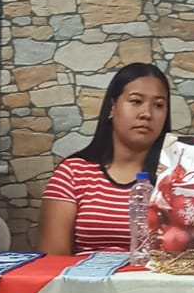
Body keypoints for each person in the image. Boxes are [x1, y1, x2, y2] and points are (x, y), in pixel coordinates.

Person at [37, 62, 172, 256]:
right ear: (112, 107)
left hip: (154, 276)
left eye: (158, 105)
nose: (146, 114)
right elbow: (52, 258)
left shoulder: (177, 176)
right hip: (83, 275)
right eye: (135, 101)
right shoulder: (73, 173)